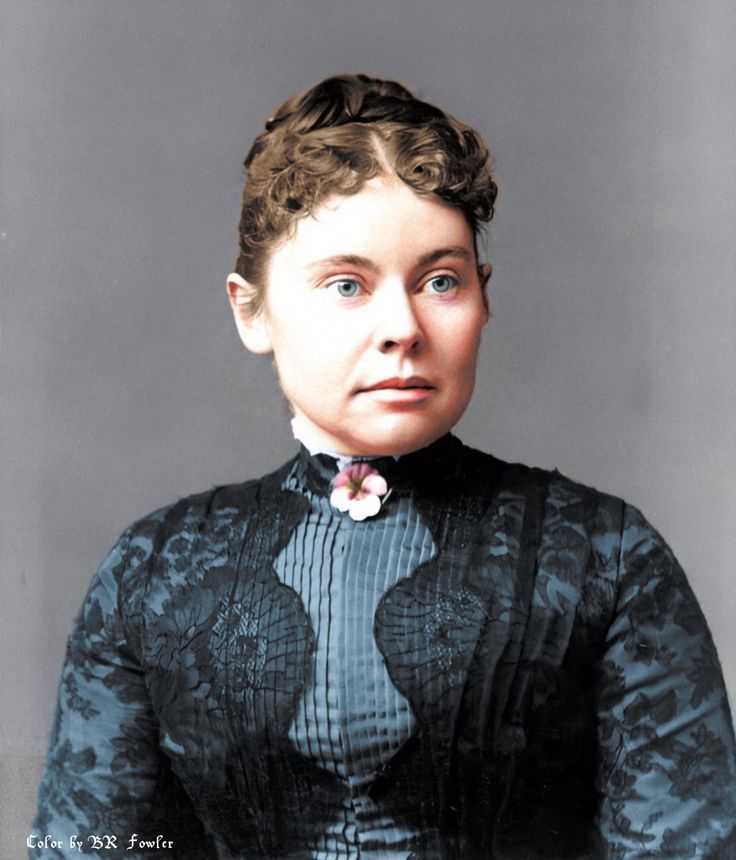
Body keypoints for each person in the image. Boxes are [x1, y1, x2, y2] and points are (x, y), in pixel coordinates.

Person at [33, 73, 736, 859]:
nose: (402, 327)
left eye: (442, 281)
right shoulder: (152, 570)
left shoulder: (605, 555)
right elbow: (96, 845)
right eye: (346, 285)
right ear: (251, 309)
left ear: (483, 298)